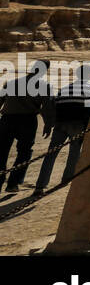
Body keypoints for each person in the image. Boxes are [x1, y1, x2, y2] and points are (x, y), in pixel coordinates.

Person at [33, 64, 90, 195]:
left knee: (51, 154)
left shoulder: (64, 89)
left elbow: (55, 106)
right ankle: (66, 179)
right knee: (74, 153)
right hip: (78, 125)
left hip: (60, 124)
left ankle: (40, 185)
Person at [1, 60, 51, 193]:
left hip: (7, 119)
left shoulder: (12, 83)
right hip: (27, 120)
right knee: (24, 152)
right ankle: (13, 183)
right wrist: (48, 124)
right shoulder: (44, 86)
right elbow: (46, 108)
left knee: (2, 152)